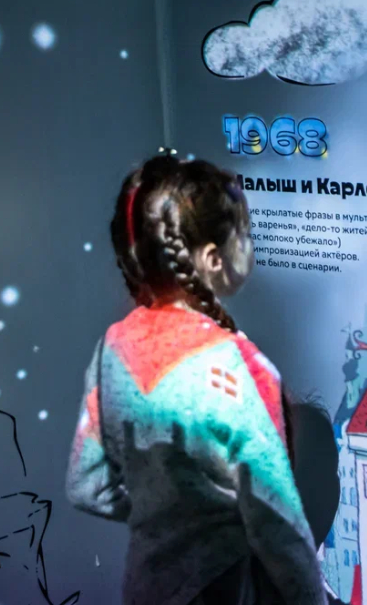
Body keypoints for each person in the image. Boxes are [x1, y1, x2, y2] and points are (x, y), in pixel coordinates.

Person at [65, 154, 327, 605]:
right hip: (220, 591)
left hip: (143, 588)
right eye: (243, 234)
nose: (249, 244)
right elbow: (277, 527)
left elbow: (86, 485)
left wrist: (161, 514)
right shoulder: (242, 367)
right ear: (211, 258)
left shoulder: (113, 348)